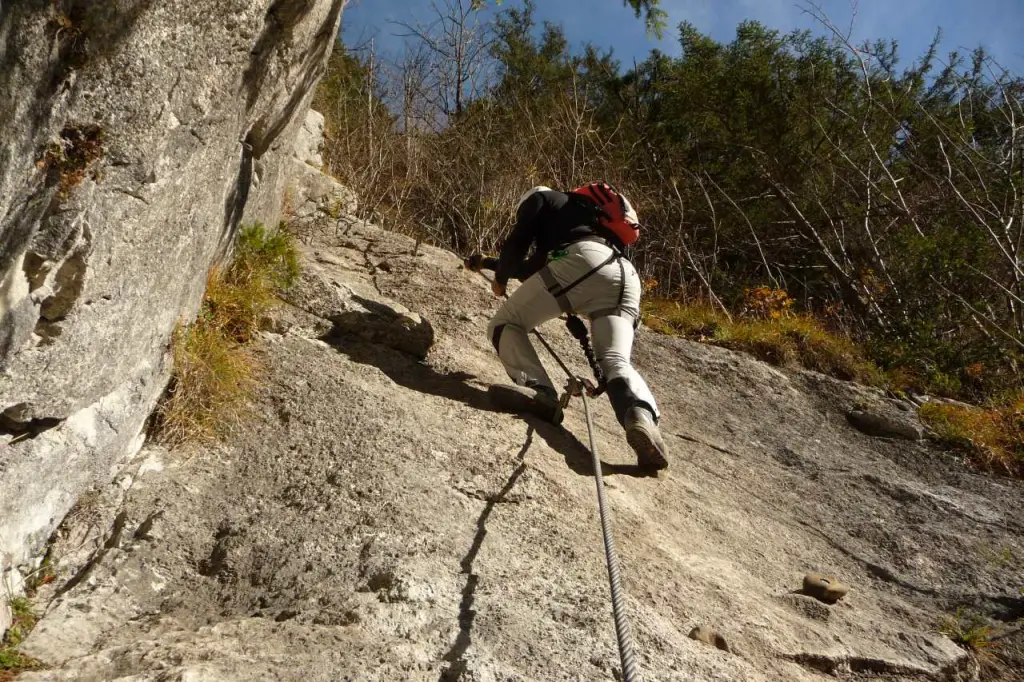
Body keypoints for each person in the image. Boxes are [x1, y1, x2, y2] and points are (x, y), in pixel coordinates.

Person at [482, 183, 668, 471]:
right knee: (615, 359)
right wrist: (490, 264)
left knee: (506, 323)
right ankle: (642, 418)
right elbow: (532, 269)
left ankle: (540, 392)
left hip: (583, 262)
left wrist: (501, 279)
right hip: (625, 276)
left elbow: (518, 242)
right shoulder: (586, 218)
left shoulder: (542, 198)